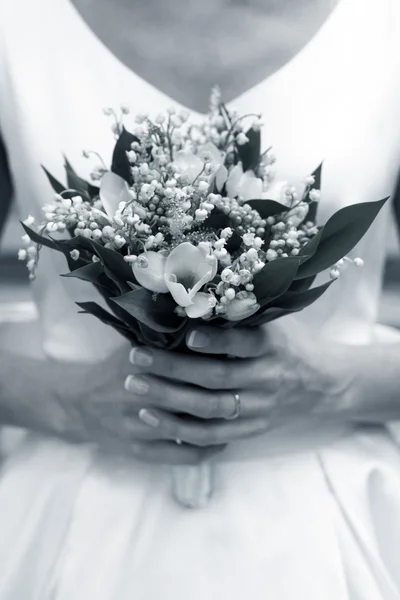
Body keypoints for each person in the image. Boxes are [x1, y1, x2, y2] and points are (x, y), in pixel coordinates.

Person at [0, 0, 400, 597]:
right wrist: (62, 399)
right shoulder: (20, 25)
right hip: (81, 509)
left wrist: (337, 384)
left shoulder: (383, 28)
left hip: (322, 528)